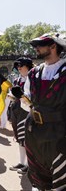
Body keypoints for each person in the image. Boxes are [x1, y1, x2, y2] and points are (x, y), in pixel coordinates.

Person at [16, 33, 66, 190]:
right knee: (38, 175)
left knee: (60, 179)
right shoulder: (34, 73)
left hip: (59, 133)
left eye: (40, 45)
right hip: (35, 132)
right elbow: (28, 104)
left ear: (53, 46)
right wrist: (22, 98)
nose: (36, 48)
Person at [8, 57, 33, 174]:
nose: (19, 68)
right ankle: (22, 162)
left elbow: (31, 100)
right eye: (18, 66)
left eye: (21, 66)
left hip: (26, 112)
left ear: (28, 66)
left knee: (26, 139)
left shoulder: (33, 80)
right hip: (16, 110)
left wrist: (21, 96)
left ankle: (29, 165)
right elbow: (14, 97)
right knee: (19, 138)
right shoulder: (17, 80)